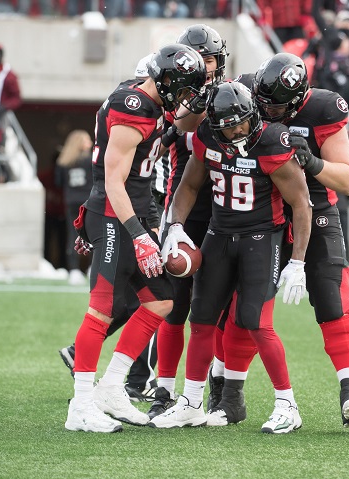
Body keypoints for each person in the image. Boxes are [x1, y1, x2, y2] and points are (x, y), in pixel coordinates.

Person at [214, 53, 349, 428]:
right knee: (246, 305)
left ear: (299, 99)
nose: (267, 111)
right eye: (262, 103)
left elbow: (348, 180)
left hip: (314, 208)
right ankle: (228, 395)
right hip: (263, 212)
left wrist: (312, 163)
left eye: (276, 105)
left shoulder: (325, 109)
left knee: (332, 297)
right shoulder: (249, 88)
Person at [150, 80, 311, 434]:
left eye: (242, 121)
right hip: (218, 234)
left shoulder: (272, 140)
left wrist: (297, 260)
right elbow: (189, 185)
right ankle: (192, 402)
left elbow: (301, 203)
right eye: (229, 123)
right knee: (202, 318)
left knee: (256, 322)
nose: (237, 128)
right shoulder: (207, 134)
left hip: (261, 237)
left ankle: (288, 405)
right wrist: (175, 225)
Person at [63, 43, 207, 433]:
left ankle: (112, 386)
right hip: (114, 215)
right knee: (102, 308)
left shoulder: (154, 101)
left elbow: (186, 124)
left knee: (161, 300)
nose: (186, 99)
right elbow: (112, 180)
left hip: (136, 213)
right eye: (185, 90)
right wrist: (138, 236)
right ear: (168, 82)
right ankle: (80, 404)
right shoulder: (132, 105)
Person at [148, 23, 228, 420]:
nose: (206, 67)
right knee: (175, 301)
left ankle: (218, 385)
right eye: (199, 59)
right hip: (185, 206)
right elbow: (178, 126)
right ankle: (163, 389)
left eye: (211, 59)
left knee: (219, 308)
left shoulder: (235, 94)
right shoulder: (175, 95)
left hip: (230, 208)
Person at [56, 129, 93, 285]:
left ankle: (73, 270)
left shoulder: (63, 162)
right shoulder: (91, 160)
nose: (90, 143)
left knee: (72, 235)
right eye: (87, 140)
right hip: (88, 202)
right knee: (93, 235)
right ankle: (92, 268)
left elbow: (59, 182)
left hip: (71, 201)